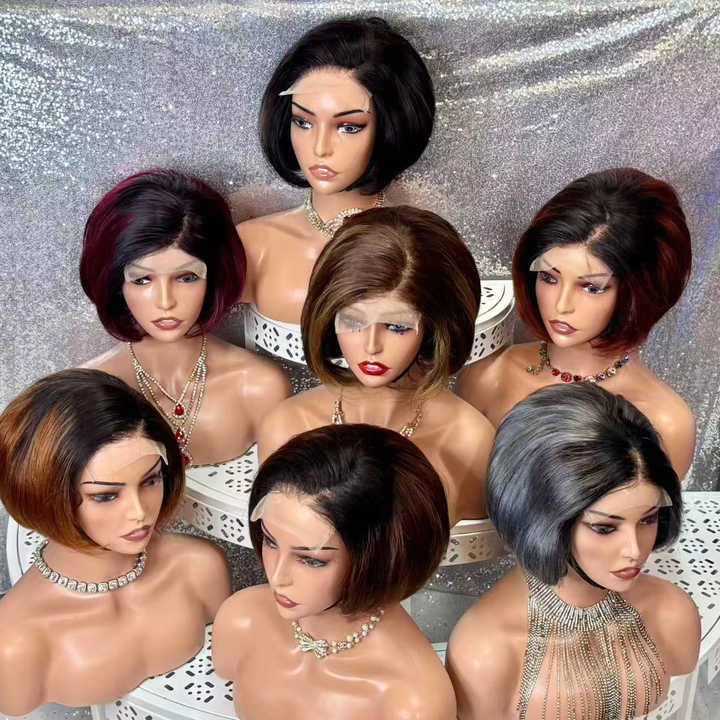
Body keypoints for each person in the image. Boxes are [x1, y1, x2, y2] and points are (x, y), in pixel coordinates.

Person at [447, 383, 700, 720]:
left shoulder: (672, 615)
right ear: (541, 517)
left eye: (648, 519)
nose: (635, 549)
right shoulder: (486, 653)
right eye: (605, 528)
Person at [0, 369, 231, 715]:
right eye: (106, 496)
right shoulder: (16, 642)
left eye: (151, 480)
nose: (140, 513)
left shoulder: (199, 568)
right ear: (45, 495)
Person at [258, 205, 495, 525]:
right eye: (353, 321)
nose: (371, 346)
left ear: (435, 327)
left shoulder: (469, 442)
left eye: (397, 326)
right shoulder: (286, 426)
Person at [457, 168, 695, 477]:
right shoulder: (489, 377)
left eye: (591, 287)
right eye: (549, 277)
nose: (561, 305)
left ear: (639, 291)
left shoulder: (666, 422)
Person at [213, 424, 456, 720]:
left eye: (311, 560)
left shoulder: (411, 703)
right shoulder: (241, 621)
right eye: (270, 541)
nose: (277, 576)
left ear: (377, 559)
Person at [81, 169, 289, 466]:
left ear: (214, 276)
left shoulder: (260, 387)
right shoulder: (87, 395)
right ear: (114, 282)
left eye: (187, 277)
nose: (166, 301)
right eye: (142, 280)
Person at [238, 16, 435, 324]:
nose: (319, 148)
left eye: (348, 127)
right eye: (303, 122)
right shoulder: (252, 244)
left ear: (389, 128)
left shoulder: (423, 250)